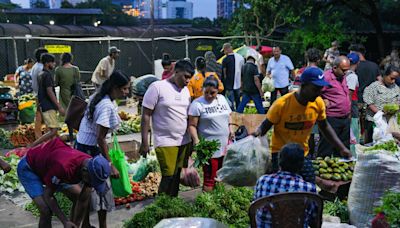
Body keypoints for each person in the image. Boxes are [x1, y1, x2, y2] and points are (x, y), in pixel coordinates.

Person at [254, 67, 351, 183]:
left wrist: (341, 148)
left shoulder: (318, 103)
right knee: (283, 190)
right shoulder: (281, 104)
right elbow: (264, 127)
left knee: (309, 184)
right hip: (281, 155)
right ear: (303, 85)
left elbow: (324, 127)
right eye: (315, 89)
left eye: (321, 89)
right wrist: (256, 134)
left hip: (302, 154)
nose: (319, 93)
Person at [76, 70, 130, 228]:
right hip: (91, 150)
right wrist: (110, 164)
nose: (126, 92)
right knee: (102, 190)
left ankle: (85, 224)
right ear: (115, 87)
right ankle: (103, 226)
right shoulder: (106, 105)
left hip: (81, 146)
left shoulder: (98, 96)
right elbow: (101, 138)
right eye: (124, 89)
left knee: (85, 189)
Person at [17, 137, 111, 228]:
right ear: (85, 171)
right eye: (92, 181)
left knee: (77, 195)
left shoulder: (91, 166)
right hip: (29, 168)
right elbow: (48, 195)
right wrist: (65, 221)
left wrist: (76, 225)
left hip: (50, 167)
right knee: (45, 209)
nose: (91, 184)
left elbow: (83, 199)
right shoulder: (63, 167)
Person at [140, 60, 195, 197]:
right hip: (165, 141)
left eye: (190, 78)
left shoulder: (186, 91)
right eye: (185, 76)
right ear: (176, 72)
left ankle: (172, 204)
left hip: (184, 141)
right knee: (168, 175)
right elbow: (146, 115)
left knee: (176, 176)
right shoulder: (157, 87)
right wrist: (145, 142)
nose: (188, 81)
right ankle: (161, 205)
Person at [254, 143, 317, 228]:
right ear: (302, 165)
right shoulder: (309, 189)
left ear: (279, 161)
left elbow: (255, 209)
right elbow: (314, 220)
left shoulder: (262, 181)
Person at [188, 76, 233, 192]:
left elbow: (230, 117)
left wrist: (231, 129)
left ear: (218, 90)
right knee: (210, 177)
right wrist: (196, 140)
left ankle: (218, 198)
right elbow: (192, 125)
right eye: (206, 92)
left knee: (221, 175)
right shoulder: (197, 104)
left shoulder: (222, 99)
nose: (208, 95)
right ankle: (207, 203)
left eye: (212, 93)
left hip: (224, 146)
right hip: (209, 148)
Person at [29, 53, 65, 148]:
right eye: (52, 62)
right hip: (48, 105)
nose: (54, 64)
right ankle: (33, 145)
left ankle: (58, 147)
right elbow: (50, 92)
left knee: (53, 131)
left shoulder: (41, 74)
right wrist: (59, 106)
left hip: (43, 104)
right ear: (47, 63)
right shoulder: (47, 75)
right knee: (53, 130)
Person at [318, 56, 351, 158]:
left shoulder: (342, 76)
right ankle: (321, 169)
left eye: (347, 70)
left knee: (343, 147)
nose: (346, 73)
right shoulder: (326, 78)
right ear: (335, 68)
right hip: (331, 118)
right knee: (327, 146)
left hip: (344, 118)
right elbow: (314, 92)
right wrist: (322, 100)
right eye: (343, 70)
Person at [363, 65, 400, 144]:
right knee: (373, 143)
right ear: (385, 75)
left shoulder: (395, 88)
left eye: (395, 79)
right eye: (391, 78)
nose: (393, 81)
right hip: (374, 121)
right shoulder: (374, 86)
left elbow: (398, 101)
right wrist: (380, 113)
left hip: (389, 122)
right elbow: (369, 102)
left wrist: (395, 108)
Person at [31, 47, 48, 139]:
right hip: (42, 95)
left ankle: (38, 135)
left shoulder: (35, 66)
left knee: (39, 116)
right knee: (46, 116)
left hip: (36, 94)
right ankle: (45, 137)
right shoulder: (41, 68)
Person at [221, 43, 244, 110]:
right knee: (238, 101)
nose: (224, 52)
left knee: (230, 103)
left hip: (229, 85)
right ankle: (239, 114)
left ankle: (232, 116)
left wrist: (224, 84)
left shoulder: (225, 60)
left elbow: (224, 73)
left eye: (224, 51)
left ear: (227, 50)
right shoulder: (240, 57)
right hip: (238, 83)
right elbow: (243, 71)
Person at [346, 53, 361, 155]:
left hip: (348, 107)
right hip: (351, 108)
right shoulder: (352, 76)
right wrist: (349, 111)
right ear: (358, 63)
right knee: (353, 133)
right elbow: (350, 95)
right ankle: (353, 156)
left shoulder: (344, 74)